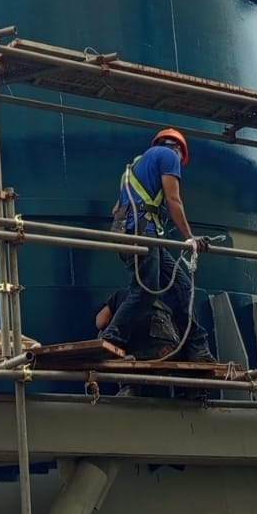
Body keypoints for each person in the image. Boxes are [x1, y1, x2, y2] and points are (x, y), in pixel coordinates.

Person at [99, 128, 213, 362]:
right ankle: (112, 338)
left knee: (182, 287)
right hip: (143, 234)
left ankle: (196, 348)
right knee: (145, 290)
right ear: (179, 149)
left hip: (134, 234)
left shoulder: (135, 167)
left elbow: (116, 209)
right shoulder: (169, 156)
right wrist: (189, 238)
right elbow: (173, 199)